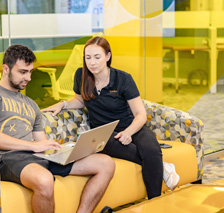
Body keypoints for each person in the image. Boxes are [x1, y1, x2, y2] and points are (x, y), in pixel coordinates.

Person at [0, 44, 115, 213]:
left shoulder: (31, 105)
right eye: (23, 72)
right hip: (6, 157)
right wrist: (33, 146)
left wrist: (59, 150)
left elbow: (41, 141)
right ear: (6, 69)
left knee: (106, 164)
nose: (29, 78)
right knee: (44, 179)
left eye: (30, 72)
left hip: (34, 157)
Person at [42, 36, 180, 199]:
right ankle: (162, 167)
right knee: (141, 154)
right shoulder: (81, 75)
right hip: (105, 134)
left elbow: (140, 114)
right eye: (88, 58)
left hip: (132, 127)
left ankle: (155, 202)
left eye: (97, 57)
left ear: (108, 56)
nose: (92, 62)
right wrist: (63, 104)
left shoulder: (123, 78)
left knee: (151, 150)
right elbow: (80, 99)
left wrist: (128, 132)